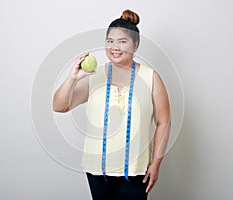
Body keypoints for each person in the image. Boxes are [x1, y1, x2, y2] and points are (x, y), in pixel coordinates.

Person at [53, 9, 170, 200]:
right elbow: (59, 106)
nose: (115, 47)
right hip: (97, 171)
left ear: (136, 45)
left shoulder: (151, 78)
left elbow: (164, 122)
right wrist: (73, 77)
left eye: (122, 41)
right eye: (110, 41)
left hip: (136, 171)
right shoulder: (94, 76)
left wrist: (156, 163)